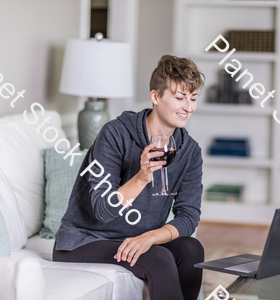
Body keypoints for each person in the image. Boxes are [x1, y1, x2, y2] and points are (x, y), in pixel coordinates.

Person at [53, 55, 206, 300]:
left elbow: (189, 216)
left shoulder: (189, 150)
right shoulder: (115, 134)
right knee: (159, 258)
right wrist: (142, 177)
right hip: (86, 240)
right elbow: (102, 210)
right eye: (179, 98)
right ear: (155, 97)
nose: (188, 107)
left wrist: (150, 237)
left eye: (193, 98)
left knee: (191, 249)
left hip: (135, 238)